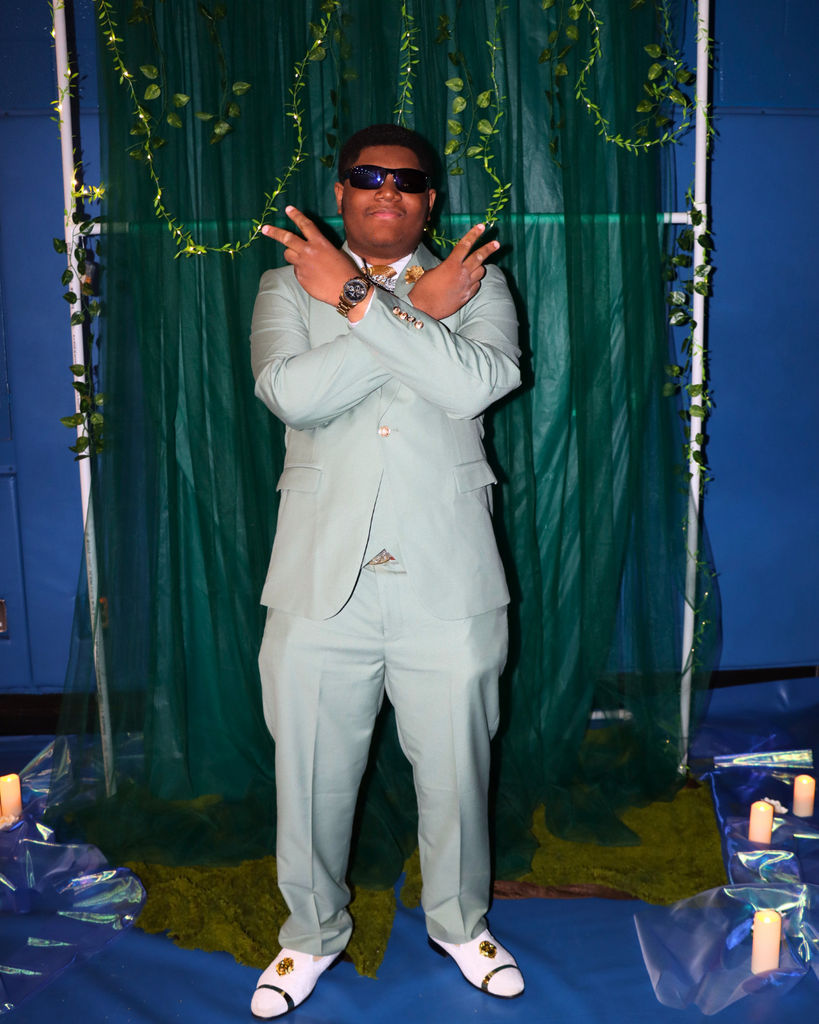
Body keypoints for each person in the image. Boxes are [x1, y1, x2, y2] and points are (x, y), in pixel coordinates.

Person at [249, 123, 521, 1018]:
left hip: (450, 579)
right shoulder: (284, 286)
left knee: (457, 773)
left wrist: (360, 302)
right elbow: (292, 395)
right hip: (317, 581)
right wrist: (407, 311)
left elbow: (473, 386)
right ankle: (309, 935)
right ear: (340, 193)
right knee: (309, 773)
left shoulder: (475, 279)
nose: (386, 192)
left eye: (405, 181)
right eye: (366, 177)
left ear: (429, 201)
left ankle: (460, 925)